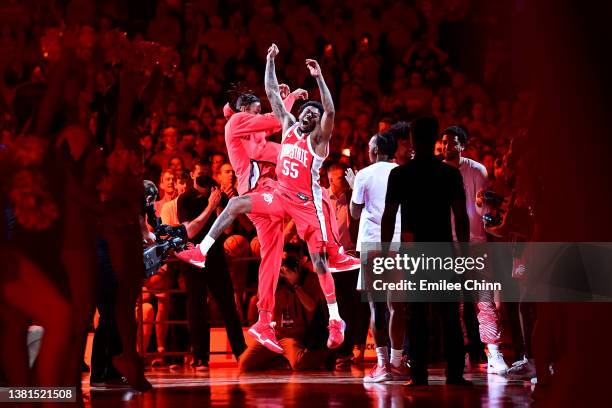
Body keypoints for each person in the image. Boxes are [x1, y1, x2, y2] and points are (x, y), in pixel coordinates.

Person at [176, 44, 352, 351]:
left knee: (279, 256)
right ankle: (203, 251)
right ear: (246, 111)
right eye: (255, 112)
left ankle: (266, 320)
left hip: (291, 198)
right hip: (271, 193)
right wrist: (288, 93)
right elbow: (269, 127)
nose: (304, 114)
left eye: (310, 113)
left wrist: (294, 94)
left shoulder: (311, 139)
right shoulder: (245, 124)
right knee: (245, 209)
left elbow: (285, 125)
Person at [381, 116, 471, 386]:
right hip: (443, 248)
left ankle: (418, 375)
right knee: (449, 315)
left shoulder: (400, 174)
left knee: (417, 315)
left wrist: (387, 253)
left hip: (415, 251)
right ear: (434, 140)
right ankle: (454, 375)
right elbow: (461, 216)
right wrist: (463, 251)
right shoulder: (449, 173)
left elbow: (388, 217)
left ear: (412, 140)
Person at [441, 125, 509, 375]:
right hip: (449, 246)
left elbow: (486, 213)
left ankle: (493, 352)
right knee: (456, 305)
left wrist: (482, 205)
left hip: (477, 245)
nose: (447, 146)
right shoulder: (438, 172)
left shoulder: (477, 170)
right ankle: (463, 353)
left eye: (452, 142)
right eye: (444, 142)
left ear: (462, 146)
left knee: (485, 301)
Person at [347, 130, 408, 382]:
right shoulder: (402, 172)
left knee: (376, 305)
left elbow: (354, 212)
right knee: (397, 306)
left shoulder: (363, 174)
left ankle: (382, 365)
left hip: (373, 243)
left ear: (374, 150)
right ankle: (396, 362)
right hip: (398, 242)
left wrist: (354, 189)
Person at [177, 175, 247, 369]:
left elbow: (227, 229)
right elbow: (190, 231)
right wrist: (209, 205)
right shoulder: (186, 198)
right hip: (193, 257)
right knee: (197, 307)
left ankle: (241, 353)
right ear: (192, 175)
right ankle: (199, 357)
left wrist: (219, 205)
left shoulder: (219, 196)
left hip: (215, 257)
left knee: (228, 306)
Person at [239, 244, 330, 372]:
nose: (287, 264)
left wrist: (295, 284)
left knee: (298, 365)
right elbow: (260, 299)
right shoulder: (272, 275)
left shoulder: (310, 278)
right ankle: (279, 360)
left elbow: (311, 307)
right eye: (283, 259)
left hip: (294, 336)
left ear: (302, 260)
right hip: (273, 334)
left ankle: (313, 357)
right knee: (244, 364)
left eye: (292, 260)